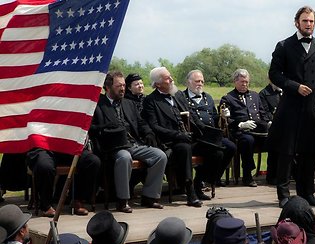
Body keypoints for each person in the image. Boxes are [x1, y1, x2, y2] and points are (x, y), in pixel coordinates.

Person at [268, 6, 315, 208]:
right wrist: (294, 86)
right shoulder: (284, 45)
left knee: (309, 152)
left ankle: (307, 193)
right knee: (287, 152)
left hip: (312, 107)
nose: (308, 24)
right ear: (297, 22)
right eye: (305, 21)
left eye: (311, 21)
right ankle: (284, 195)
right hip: (290, 106)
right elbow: (274, 74)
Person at [90, 71, 167, 213]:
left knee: (160, 155)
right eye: (119, 85)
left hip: (134, 143)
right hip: (113, 147)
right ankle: (122, 200)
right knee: (125, 157)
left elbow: (141, 122)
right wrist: (104, 127)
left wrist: (148, 132)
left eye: (124, 85)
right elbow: (91, 128)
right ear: (108, 87)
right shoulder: (98, 104)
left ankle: (149, 196)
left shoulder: (129, 103)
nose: (123, 88)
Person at [141, 67, 203, 206]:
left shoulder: (179, 95)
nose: (171, 80)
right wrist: (178, 135)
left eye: (170, 76)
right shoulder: (151, 100)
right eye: (167, 78)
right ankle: (190, 190)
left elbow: (191, 115)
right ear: (158, 84)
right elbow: (155, 126)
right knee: (184, 148)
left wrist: (204, 131)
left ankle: (200, 183)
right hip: (170, 141)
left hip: (189, 136)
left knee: (217, 148)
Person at [183, 70, 237, 188]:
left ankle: (213, 178)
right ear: (188, 82)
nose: (200, 84)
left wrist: (222, 115)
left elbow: (214, 117)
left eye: (202, 81)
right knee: (216, 153)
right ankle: (203, 179)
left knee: (231, 147)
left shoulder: (208, 97)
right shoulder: (182, 98)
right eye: (197, 81)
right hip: (196, 137)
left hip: (212, 136)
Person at [220, 69, 270, 187]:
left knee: (275, 138)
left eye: (247, 82)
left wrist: (268, 123)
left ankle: (273, 174)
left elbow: (263, 114)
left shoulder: (255, 95)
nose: (245, 84)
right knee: (248, 140)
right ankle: (247, 175)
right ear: (235, 82)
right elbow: (226, 119)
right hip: (239, 132)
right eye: (242, 82)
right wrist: (240, 124)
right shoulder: (228, 98)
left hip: (258, 130)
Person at [23, 142, 100, 217]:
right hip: (45, 147)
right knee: (44, 166)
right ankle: (46, 205)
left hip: (69, 145)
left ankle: (78, 200)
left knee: (92, 161)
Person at [259, 82, 283, 185]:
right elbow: (264, 112)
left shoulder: (285, 92)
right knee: (276, 141)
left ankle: (291, 173)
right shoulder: (264, 93)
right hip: (270, 126)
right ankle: (272, 175)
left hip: (286, 125)